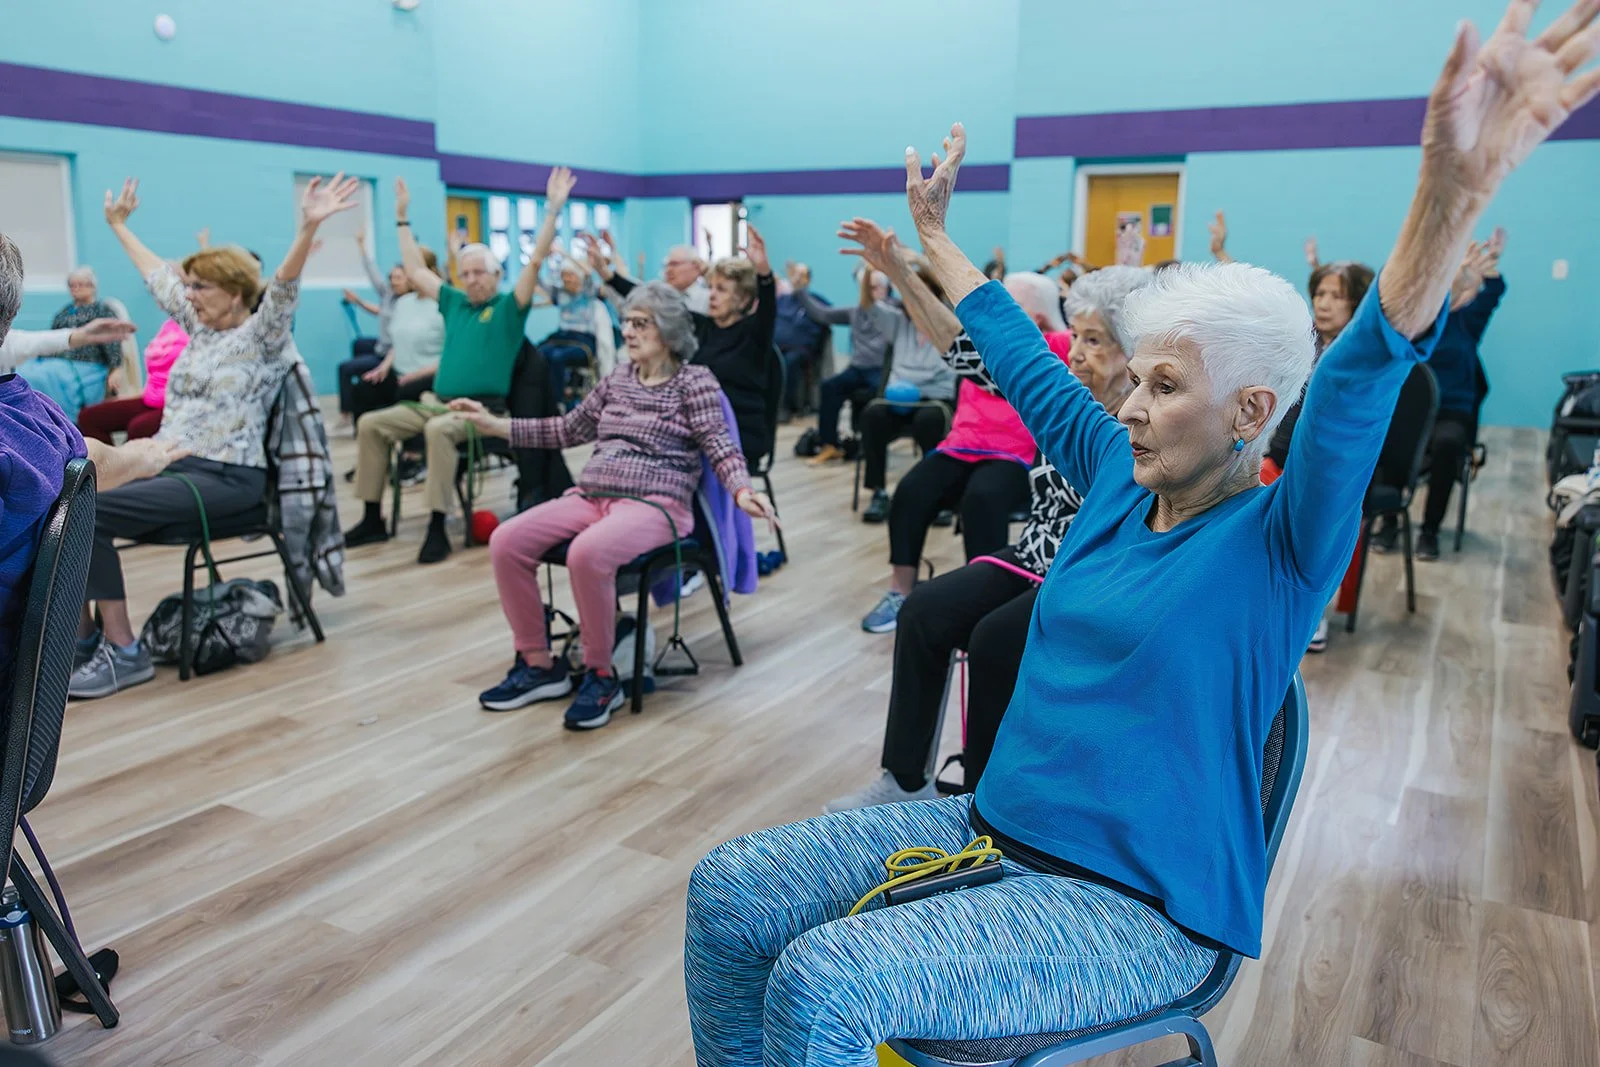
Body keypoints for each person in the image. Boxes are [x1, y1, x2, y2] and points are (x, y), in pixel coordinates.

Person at [684, 7, 1593, 1060]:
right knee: (729, 889)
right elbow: (1019, 354)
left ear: (1250, 412)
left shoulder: (1281, 544)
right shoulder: (1120, 474)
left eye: (1164, 385)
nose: (1128, 404)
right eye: (1137, 378)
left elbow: (1356, 380)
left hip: (1140, 906)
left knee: (823, 983)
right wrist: (934, 241)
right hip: (993, 825)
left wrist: (1447, 196)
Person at [832, 260, 1155, 813]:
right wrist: (902, 272)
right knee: (924, 611)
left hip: (1090, 575)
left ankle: (986, 804)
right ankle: (905, 781)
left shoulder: (1146, 422)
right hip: (1033, 555)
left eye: (1094, 341)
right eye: (1076, 336)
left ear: (1134, 353)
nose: (1076, 352)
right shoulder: (1063, 394)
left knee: (995, 640)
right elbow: (964, 349)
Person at [67, 173, 360, 699]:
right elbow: (158, 277)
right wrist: (118, 226)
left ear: (236, 292)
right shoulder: (200, 328)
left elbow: (283, 290)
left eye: (201, 286)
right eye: (191, 286)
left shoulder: (264, 336)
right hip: (173, 467)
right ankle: (85, 640)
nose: (190, 294)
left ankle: (124, 651)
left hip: (229, 480)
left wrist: (307, 228)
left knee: (93, 509)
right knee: (69, 497)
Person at [451, 281, 776, 730]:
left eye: (641, 323)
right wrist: (496, 425)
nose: (629, 331)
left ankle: (602, 675)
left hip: (657, 505)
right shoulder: (618, 379)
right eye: (627, 322)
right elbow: (567, 429)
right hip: (594, 496)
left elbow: (719, 444)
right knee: (507, 540)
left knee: (587, 553)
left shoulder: (694, 382)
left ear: (669, 330)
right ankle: (538, 664)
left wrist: (742, 490)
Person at [344, 168, 572, 563]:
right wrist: (401, 218)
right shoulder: (454, 302)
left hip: (481, 412)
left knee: (437, 431)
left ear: (497, 275)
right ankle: (371, 518)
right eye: (465, 273)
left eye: (479, 272)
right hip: (436, 403)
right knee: (370, 424)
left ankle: (437, 525)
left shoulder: (509, 309)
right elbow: (416, 271)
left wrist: (552, 211)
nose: (471, 279)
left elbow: (535, 260)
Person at [0, 233, 189, 696]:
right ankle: (88, 638)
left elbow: (97, 457)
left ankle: (112, 644)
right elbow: (94, 457)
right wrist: (139, 457)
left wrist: (142, 455)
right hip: (27, 674)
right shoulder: (44, 426)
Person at [858, 267, 1067, 634]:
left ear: (1036, 317)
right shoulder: (983, 343)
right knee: (910, 491)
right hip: (962, 446)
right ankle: (899, 591)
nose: (996, 311)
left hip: (1014, 454)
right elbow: (940, 321)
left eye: (1010, 304)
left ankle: (980, 599)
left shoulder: (1056, 346)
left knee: (982, 499)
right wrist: (901, 268)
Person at [588, 227, 777, 468]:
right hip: (697, 428)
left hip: (738, 433)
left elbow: (768, 307)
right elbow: (654, 302)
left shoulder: (754, 334)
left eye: (721, 290)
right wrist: (607, 275)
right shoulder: (702, 326)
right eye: (711, 288)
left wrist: (763, 273)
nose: (712, 295)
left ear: (743, 299)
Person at [1373, 233, 1505, 561]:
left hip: (1451, 411)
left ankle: (1429, 530)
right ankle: (1389, 520)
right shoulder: (1419, 319)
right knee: (1391, 434)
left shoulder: (1467, 321)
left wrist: (1489, 267)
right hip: (1410, 411)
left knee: (1448, 443)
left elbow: (1493, 293)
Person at [853, 258, 959, 524]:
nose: (915, 300)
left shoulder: (948, 323)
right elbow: (867, 302)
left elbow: (949, 293)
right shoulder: (898, 322)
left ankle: (935, 495)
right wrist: (870, 268)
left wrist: (915, 261)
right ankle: (879, 493)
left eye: (921, 294)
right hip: (898, 400)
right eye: (910, 294)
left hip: (935, 401)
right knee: (872, 416)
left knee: (929, 422)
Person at [795, 268, 897, 465]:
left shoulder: (894, 312)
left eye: (876, 287)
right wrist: (800, 290)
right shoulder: (855, 312)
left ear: (886, 289)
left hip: (881, 371)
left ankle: (871, 444)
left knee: (876, 396)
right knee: (829, 387)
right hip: (857, 369)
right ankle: (829, 445)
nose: (872, 292)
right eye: (868, 288)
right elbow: (822, 314)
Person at [346, 245, 445, 423]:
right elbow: (398, 345)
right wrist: (383, 368)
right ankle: (366, 437)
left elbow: (450, 355)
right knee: (362, 389)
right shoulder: (403, 303)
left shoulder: (444, 305)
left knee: (404, 392)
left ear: (430, 272)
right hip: (399, 373)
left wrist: (415, 376)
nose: (408, 275)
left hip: (428, 376)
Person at [20, 266, 125, 419]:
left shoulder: (102, 311)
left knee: (43, 377)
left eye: (80, 285)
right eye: (72, 285)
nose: (75, 289)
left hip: (86, 364)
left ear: (92, 287)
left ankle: (54, 417)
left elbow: (112, 340)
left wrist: (116, 368)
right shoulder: (64, 312)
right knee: (23, 371)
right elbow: (51, 339)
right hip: (56, 361)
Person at [76, 316, 188, 444]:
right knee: (88, 418)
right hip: (151, 401)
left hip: (180, 406)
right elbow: (159, 375)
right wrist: (130, 397)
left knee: (139, 428)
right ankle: (109, 457)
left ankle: (125, 456)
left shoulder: (203, 333)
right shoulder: (171, 324)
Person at [533, 252, 600, 411]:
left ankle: (557, 402)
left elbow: (588, 272)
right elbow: (537, 280)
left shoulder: (587, 292)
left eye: (570, 275)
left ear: (579, 277)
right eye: (564, 276)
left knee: (557, 357)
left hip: (582, 340)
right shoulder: (560, 293)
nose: (566, 279)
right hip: (562, 337)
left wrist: (562, 252)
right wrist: (542, 257)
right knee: (538, 353)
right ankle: (541, 398)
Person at [773, 262, 830, 418]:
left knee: (788, 363)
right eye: (795, 274)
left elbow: (827, 316)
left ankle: (785, 407)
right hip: (777, 347)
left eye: (802, 275)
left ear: (808, 279)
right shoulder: (782, 300)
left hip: (801, 350)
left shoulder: (816, 301)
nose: (797, 278)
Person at [662, 245, 711, 314]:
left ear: (695, 266)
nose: (668, 270)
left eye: (674, 264)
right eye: (667, 265)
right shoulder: (660, 299)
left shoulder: (709, 299)